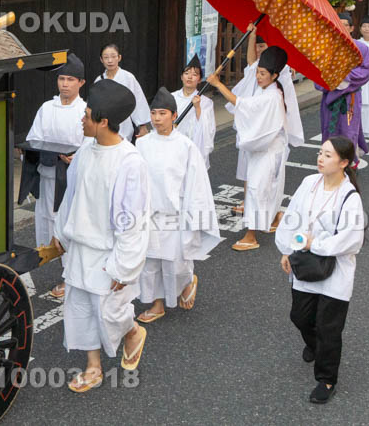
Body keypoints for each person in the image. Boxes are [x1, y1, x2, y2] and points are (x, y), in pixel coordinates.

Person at [52, 79, 151, 392]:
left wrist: (125, 266)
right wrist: (61, 232)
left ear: (103, 121)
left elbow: (133, 220)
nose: (82, 118)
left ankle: (132, 331)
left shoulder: (129, 162)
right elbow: (72, 196)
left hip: (109, 252)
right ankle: (93, 366)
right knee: (79, 308)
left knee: (110, 311)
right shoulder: (84, 152)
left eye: (88, 114)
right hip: (81, 247)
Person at [275, 136, 365, 405]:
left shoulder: (350, 197)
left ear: (344, 163)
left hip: (335, 269)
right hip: (304, 263)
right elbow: (291, 217)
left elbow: (352, 240)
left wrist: (317, 244)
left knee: (329, 328)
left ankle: (326, 379)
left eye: (328, 155)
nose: (320, 158)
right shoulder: (308, 183)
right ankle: (314, 344)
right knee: (300, 317)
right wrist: (286, 249)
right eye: (320, 152)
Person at [135, 88, 221, 323]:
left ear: (174, 116)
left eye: (162, 113)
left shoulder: (186, 146)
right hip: (150, 213)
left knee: (176, 262)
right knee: (150, 261)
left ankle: (187, 282)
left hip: (176, 214)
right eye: (153, 113)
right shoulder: (141, 144)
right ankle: (157, 303)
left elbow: (197, 186)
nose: (156, 118)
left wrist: (196, 218)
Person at [208, 46, 289, 251]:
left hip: (269, 150)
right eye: (258, 73)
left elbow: (243, 105)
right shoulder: (271, 91)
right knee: (267, 188)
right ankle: (274, 218)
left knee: (256, 189)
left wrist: (218, 84)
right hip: (269, 148)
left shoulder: (270, 96)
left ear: (274, 75)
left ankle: (251, 235)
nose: (258, 77)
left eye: (263, 74)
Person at [22, 53, 86, 299]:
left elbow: (90, 144)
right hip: (48, 173)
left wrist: (76, 157)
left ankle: (72, 277)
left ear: (81, 83)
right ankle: (56, 260)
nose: (65, 84)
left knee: (71, 224)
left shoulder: (85, 111)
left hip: (72, 179)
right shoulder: (46, 108)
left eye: (70, 79)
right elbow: (35, 137)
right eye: (61, 78)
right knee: (48, 218)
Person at [226, 24, 304, 217]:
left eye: (263, 46)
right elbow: (252, 62)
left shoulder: (278, 76)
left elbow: (285, 105)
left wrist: (218, 85)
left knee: (269, 177)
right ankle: (250, 205)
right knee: (249, 171)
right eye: (258, 47)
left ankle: (271, 213)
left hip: (270, 132)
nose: (260, 50)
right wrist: (252, 35)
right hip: (251, 127)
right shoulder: (259, 70)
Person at [317, 13, 369, 160]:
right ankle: (329, 161)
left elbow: (367, 70)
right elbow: (317, 73)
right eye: (338, 24)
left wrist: (344, 76)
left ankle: (349, 165)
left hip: (350, 99)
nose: (341, 28)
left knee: (349, 130)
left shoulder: (361, 48)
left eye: (345, 25)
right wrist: (331, 78)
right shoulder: (326, 48)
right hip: (330, 99)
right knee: (329, 130)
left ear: (351, 28)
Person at [93, 43, 151, 141]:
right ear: (101, 59)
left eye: (113, 56)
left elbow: (138, 100)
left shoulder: (128, 78)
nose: (110, 60)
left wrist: (142, 125)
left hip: (124, 127)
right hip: (103, 128)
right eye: (106, 57)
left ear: (119, 57)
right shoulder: (99, 80)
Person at [172, 55, 216, 168]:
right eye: (186, 73)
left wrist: (198, 108)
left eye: (194, 74)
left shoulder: (206, 102)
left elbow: (208, 129)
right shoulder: (172, 97)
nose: (190, 77)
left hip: (194, 147)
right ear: (181, 77)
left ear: (200, 79)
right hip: (174, 145)